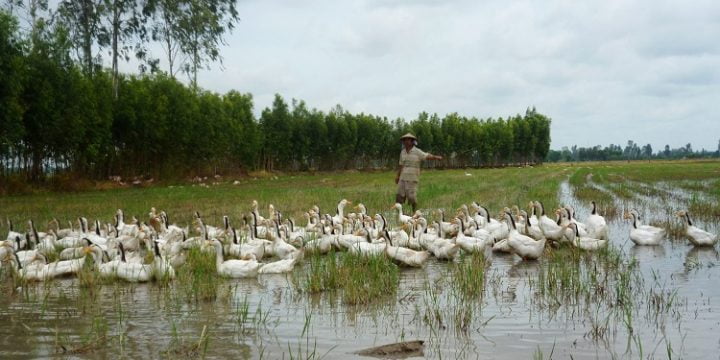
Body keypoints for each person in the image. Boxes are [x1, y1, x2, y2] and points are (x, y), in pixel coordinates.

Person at [395, 133, 443, 213]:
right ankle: (400, 214)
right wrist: (397, 176)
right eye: (405, 140)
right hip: (403, 178)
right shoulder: (402, 152)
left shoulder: (417, 151)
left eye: (408, 140)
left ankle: (415, 213)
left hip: (412, 178)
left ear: (412, 141)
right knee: (399, 196)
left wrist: (436, 157)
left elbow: (427, 156)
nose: (406, 142)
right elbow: (401, 165)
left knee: (412, 197)